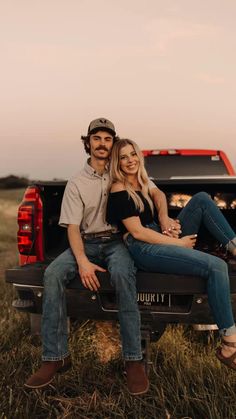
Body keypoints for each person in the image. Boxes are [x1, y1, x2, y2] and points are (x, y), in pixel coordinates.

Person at [24, 118, 150, 396]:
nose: (102, 143)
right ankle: (55, 357)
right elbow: (71, 227)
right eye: (97, 138)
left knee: (122, 274)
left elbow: (153, 191)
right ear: (88, 143)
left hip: (118, 242)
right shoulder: (76, 182)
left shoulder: (123, 174)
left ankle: (133, 361)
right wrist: (81, 261)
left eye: (108, 139)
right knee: (53, 273)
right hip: (87, 242)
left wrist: (164, 215)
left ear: (113, 143)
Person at [107, 138, 236, 370]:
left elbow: (157, 196)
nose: (130, 160)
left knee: (202, 200)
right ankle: (230, 344)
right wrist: (177, 243)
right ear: (117, 161)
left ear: (139, 156)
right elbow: (138, 232)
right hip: (144, 248)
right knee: (217, 267)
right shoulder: (118, 188)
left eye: (133, 154)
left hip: (158, 234)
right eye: (123, 157)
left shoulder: (142, 180)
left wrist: (165, 219)